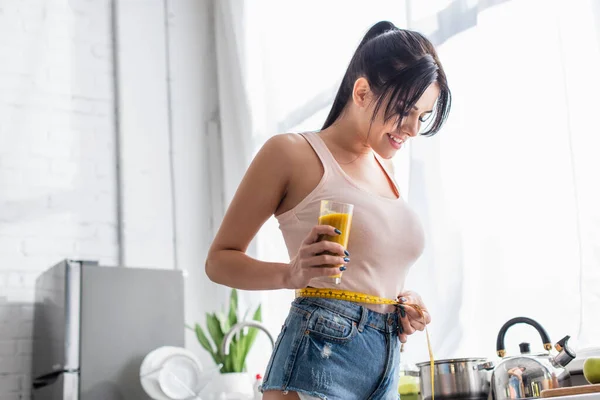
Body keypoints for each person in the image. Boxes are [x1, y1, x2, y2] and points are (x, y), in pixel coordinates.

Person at [206, 20, 451, 400]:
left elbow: (364, 274)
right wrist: (292, 273)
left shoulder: (387, 167)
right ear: (362, 92)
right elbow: (219, 261)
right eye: (405, 110)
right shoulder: (290, 153)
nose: (413, 129)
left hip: (386, 363)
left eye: (423, 115)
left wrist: (402, 304)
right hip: (319, 359)